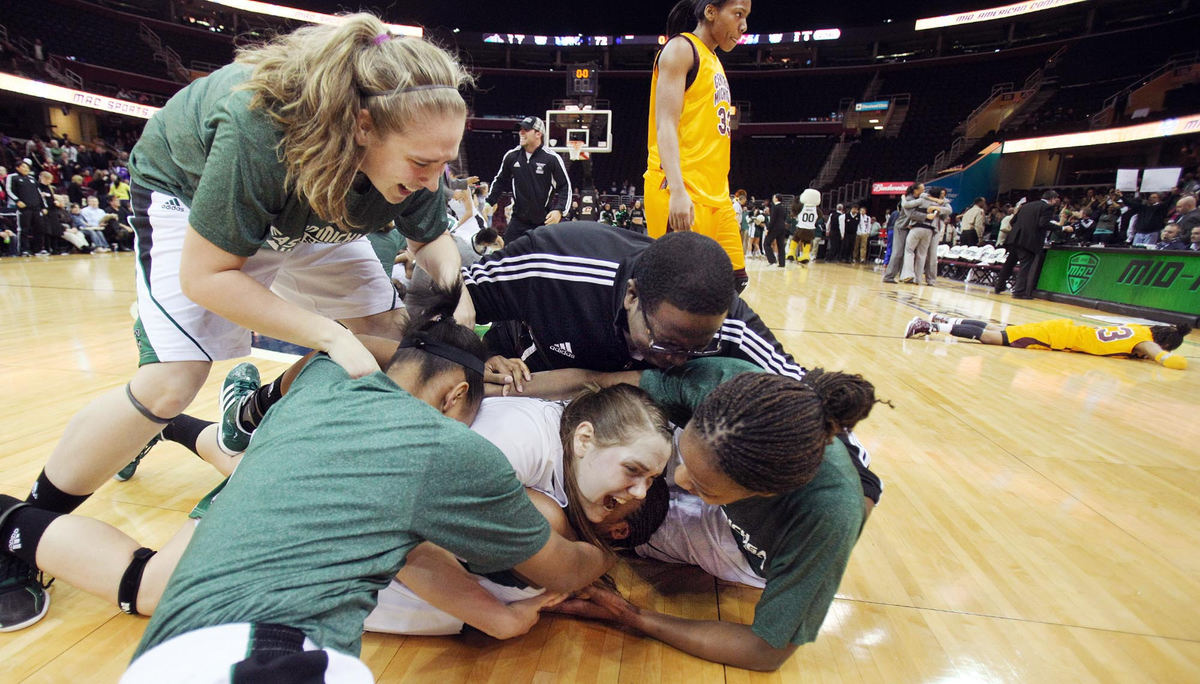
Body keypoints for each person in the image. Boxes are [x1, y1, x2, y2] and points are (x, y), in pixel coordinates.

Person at [1, 14, 480, 630]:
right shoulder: (261, 128)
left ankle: (247, 418)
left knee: (387, 335)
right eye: (422, 163)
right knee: (173, 380)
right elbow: (209, 275)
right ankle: (24, 526)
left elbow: (435, 240)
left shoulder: (418, 143)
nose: (432, 178)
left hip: (308, 209)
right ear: (363, 126)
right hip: (193, 196)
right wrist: (329, 332)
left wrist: (454, 296)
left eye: (444, 163)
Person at [549, 357, 883, 671]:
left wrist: (634, 617)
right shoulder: (723, 385)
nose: (676, 479)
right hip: (717, 465)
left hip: (740, 546)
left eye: (699, 486)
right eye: (682, 459)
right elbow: (598, 384)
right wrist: (501, 387)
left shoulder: (827, 515)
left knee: (613, 525)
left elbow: (765, 651)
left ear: (763, 493)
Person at [644, 0, 751, 292]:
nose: (744, 25)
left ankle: (708, 339)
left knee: (732, 281)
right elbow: (664, 124)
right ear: (711, 12)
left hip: (716, 196)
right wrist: (678, 191)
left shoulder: (713, 59)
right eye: (738, 14)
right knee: (677, 293)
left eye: (746, 17)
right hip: (681, 190)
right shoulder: (681, 49)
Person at [904, 314, 1189, 370]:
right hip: (1061, 337)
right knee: (994, 338)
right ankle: (932, 326)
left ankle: (944, 319)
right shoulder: (1146, 343)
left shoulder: (1139, 328)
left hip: (1066, 329)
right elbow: (1167, 359)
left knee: (1001, 330)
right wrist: (1167, 357)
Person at [484, 116, 571, 243]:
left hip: (543, 221)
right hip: (518, 220)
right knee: (508, 256)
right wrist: (489, 202)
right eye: (520, 129)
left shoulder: (552, 158)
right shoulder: (512, 156)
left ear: (538, 134)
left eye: (526, 129)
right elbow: (500, 181)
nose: (521, 132)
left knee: (542, 259)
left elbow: (565, 186)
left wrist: (559, 210)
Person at [994, 190, 1060, 298]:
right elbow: (1043, 224)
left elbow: (1012, 221)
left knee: (1009, 264)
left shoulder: (1026, 205)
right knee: (1025, 266)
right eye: (1056, 198)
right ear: (1052, 199)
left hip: (1015, 238)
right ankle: (1019, 291)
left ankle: (999, 286)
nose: (1057, 201)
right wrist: (1060, 228)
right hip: (1029, 241)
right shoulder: (1047, 208)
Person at [881, 183, 925, 283]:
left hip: (909, 228)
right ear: (915, 190)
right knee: (898, 252)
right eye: (922, 189)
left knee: (907, 253)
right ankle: (889, 276)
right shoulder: (909, 199)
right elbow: (911, 214)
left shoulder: (915, 200)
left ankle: (904, 276)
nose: (924, 191)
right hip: (901, 227)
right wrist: (926, 216)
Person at [764, 194, 790, 267]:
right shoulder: (783, 207)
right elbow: (784, 217)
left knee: (766, 243)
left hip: (774, 228)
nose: (773, 198)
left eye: (774, 197)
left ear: (776, 198)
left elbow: (772, 219)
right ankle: (782, 263)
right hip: (782, 227)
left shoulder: (774, 207)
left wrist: (768, 229)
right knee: (781, 246)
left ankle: (772, 260)